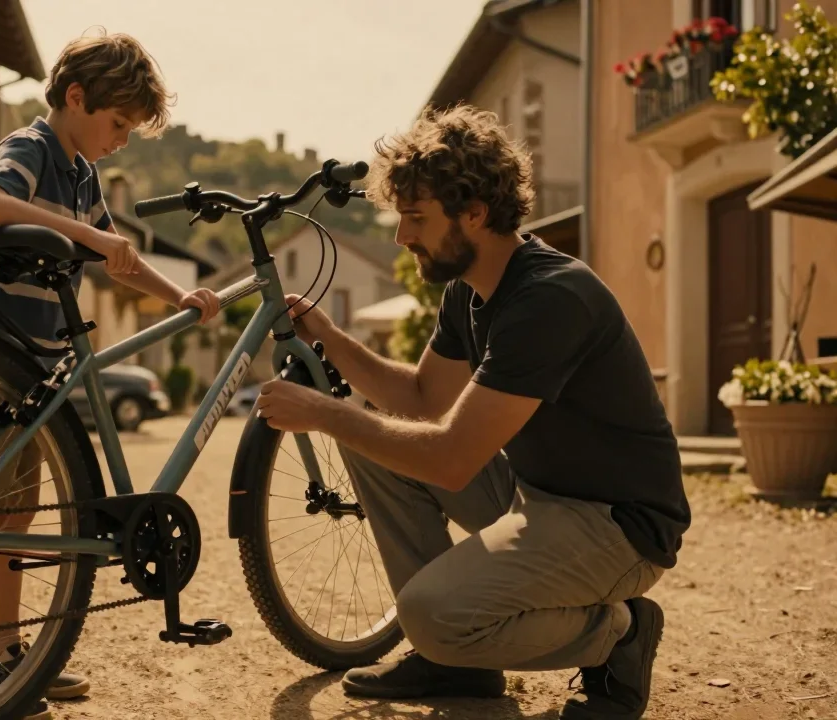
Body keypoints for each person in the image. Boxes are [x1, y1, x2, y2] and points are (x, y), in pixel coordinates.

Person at [255, 104, 690, 720]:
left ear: (475, 214)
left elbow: (452, 459)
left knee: (430, 615)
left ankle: (618, 635)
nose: (402, 237)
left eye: (416, 218)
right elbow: (423, 400)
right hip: (538, 498)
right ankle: (455, 663)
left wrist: (325, 413)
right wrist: (326, 334)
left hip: (618, 528)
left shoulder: (549, 298)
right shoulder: (469, 289)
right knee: (371, 437)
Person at [0, 30, 221, 719]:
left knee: (16, 516)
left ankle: (7, 654)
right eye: (117, 123)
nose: (121, 140)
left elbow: (118, 258)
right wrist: (86, 235)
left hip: (31, 370)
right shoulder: (31, 147)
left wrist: (177, 296)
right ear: (75, 97)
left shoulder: (83, 175)